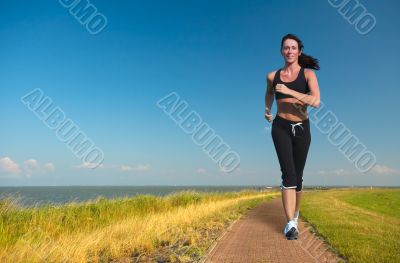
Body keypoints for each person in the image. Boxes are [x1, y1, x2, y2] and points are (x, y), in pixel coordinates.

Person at [264, 33, 321, 240]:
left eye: (293, 48)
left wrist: (289, 91)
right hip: (280, 127)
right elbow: (269, 93)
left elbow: (316, 102)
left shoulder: (307, 75)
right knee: (288, 174)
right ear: (281, 51)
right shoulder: (272, 76)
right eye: (286, 48)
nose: (289, 51)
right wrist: (267, 108)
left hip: (302, 128)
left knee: (298, 177)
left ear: (299, 51)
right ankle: (290, 224)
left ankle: (295, 215)